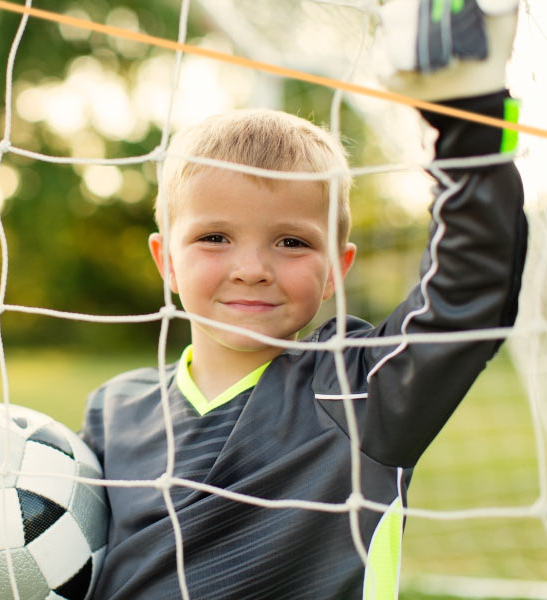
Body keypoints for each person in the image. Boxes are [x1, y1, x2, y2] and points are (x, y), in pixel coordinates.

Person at [80, 3, 528, 598]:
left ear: (334, 272)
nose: (252, 270)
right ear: (165, 260)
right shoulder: (113, 412)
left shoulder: (359, 394)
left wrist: (471, 114)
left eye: (291, 242)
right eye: (215, 238)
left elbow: (472, 288)